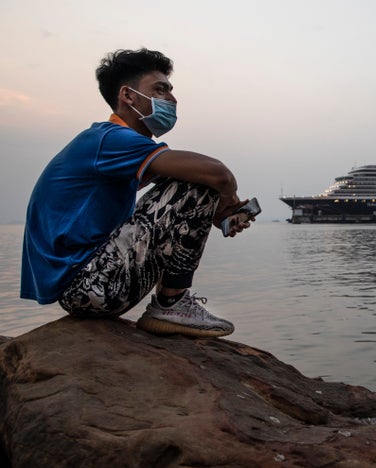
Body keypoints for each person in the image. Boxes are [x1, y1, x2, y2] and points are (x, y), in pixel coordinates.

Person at [20, 48, 250, 338]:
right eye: (160, 89)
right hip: (89, 284)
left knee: (193, 181)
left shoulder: (118, 147)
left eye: (171, 91)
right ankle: (172, 302)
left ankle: (170, 303)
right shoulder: (109, 139)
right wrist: (228, 196)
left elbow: (180, 198)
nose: (172, 99)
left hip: (94, 285)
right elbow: (218, 174)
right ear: (128, 96)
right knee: (199, 181)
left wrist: (218, 213)